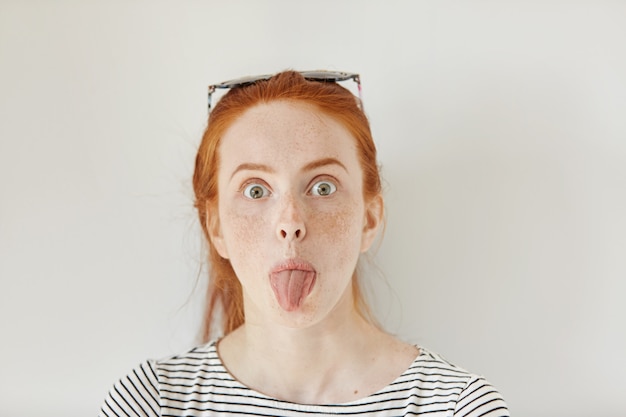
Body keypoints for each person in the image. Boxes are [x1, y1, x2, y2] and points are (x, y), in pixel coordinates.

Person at [99, 70, 509, 416]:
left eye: (323, 186)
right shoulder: (151, 403)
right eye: (255, 190)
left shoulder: (458, 408)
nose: (290, 223)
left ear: (369, 218)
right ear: (216, 226)